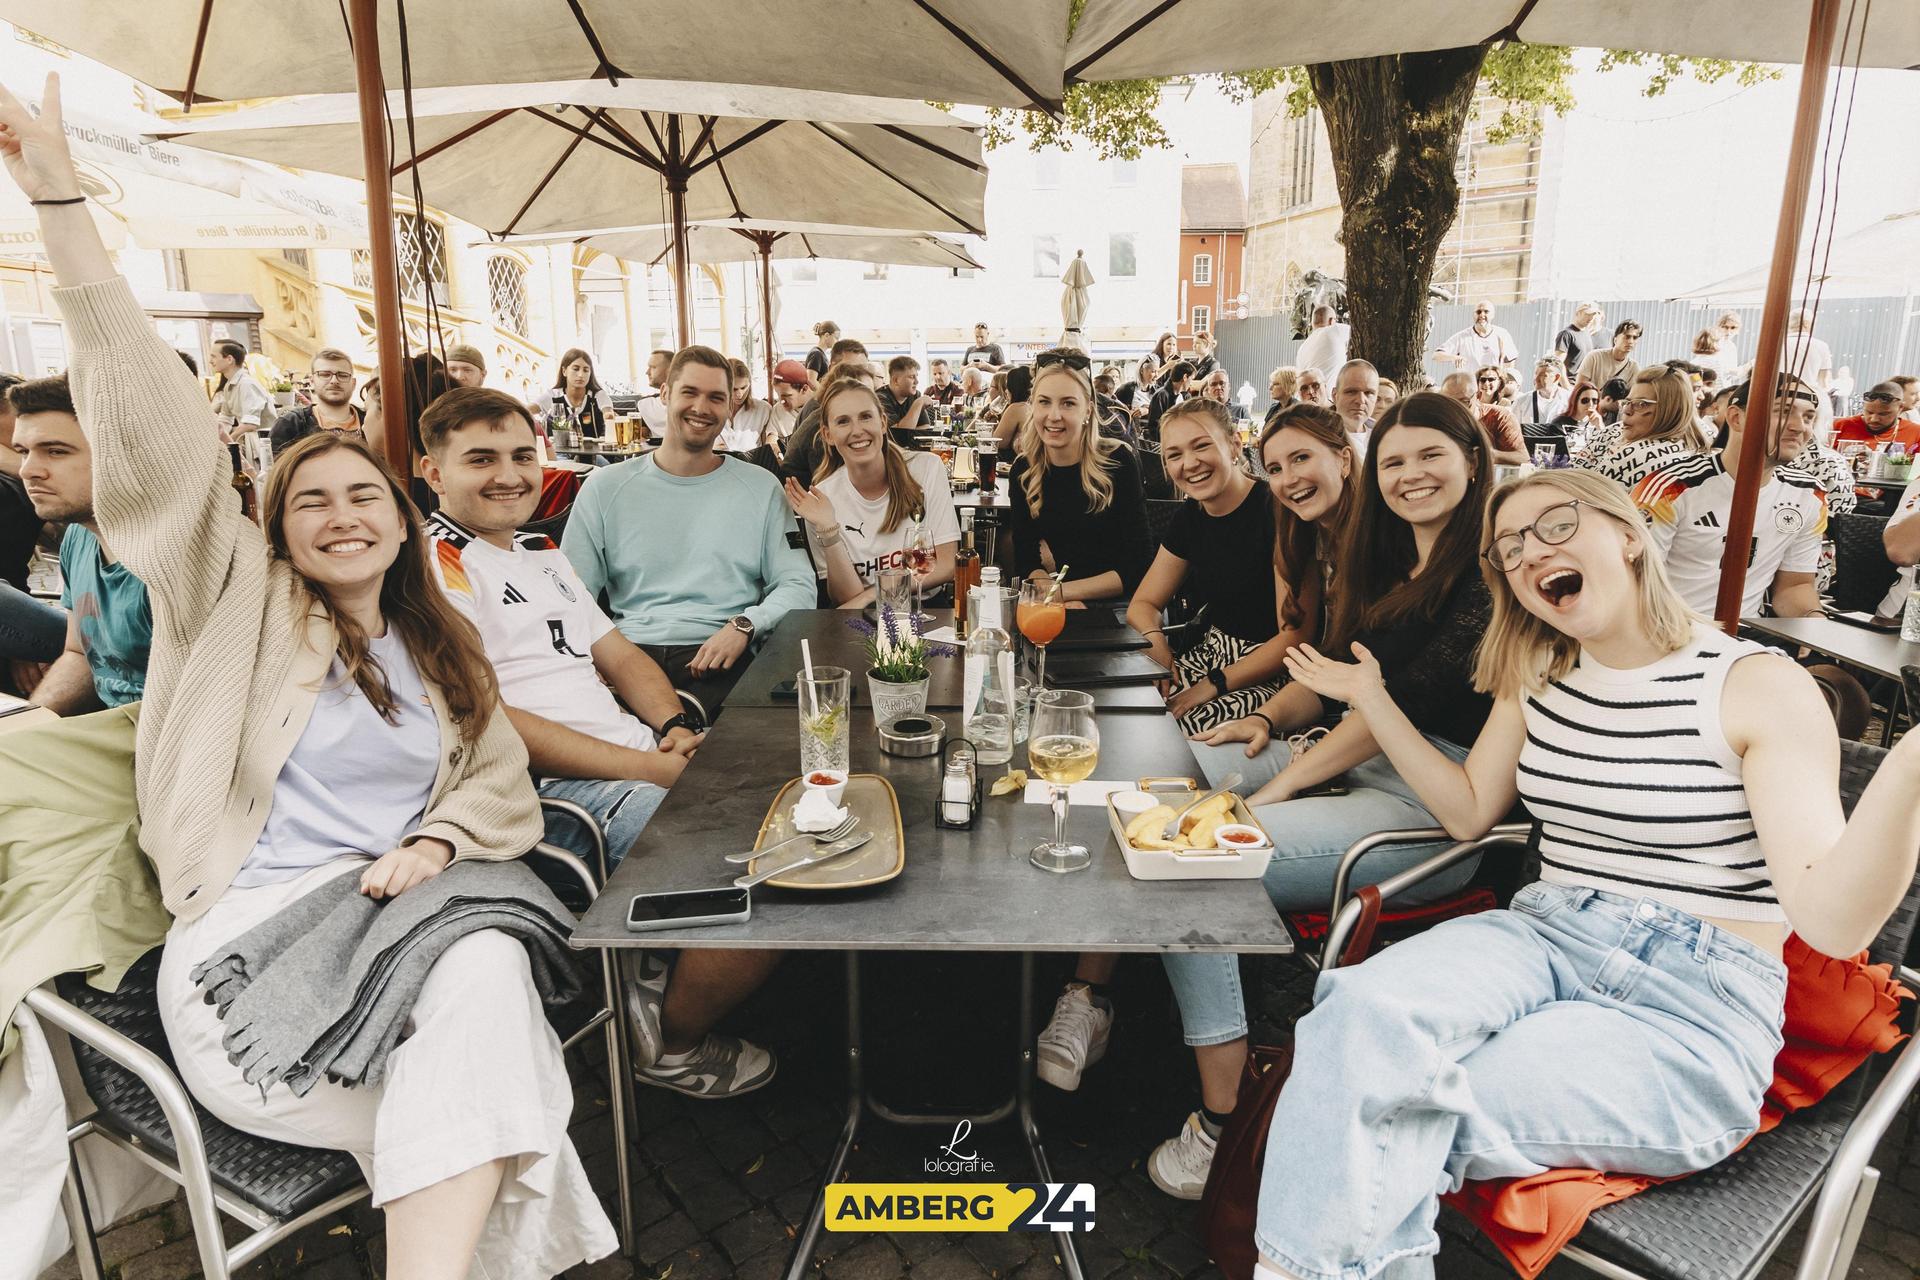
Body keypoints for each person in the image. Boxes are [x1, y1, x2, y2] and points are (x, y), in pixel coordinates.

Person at [0, 79, 616, 1272]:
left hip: (412, 935)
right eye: (310, 500)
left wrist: (436, 843)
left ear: (402, 517)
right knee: (512, 1083)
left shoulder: (443, 645)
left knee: (483, 992)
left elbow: (498, 787)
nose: (340, 515)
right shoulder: (232, 606)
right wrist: (57, 194)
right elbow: (159, 432)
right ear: (273, 530)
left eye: (364, 494)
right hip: (257, 966)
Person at [1246, 466, 1920, 1280]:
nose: (1532, 553)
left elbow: (1833, 923)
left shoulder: (1757, 685)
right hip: (1542, 933)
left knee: (1391, 1106)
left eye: (1556, 526)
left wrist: (1912, 762)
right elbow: (1467, 814)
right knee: (1353, 1017)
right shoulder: (1538, 675)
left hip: (1694, 1003)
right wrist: (1372, 697)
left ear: (1629, 536)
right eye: (1509, 549)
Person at [1149, 392, 1497, 1198]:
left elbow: (1391, 712)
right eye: (1398, 461)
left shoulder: (1485, 572)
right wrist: (1265, 722)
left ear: (1471, 460)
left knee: (1187, 864)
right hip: (1353, 760)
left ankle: (1224, 1117)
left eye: (1428, 458)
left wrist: (1283, 783)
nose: (1409, 476)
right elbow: (1333, 683)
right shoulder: (1391, 563)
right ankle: (1114, 998)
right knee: (1164, 784)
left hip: (1429, 809)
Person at [419, 386, 779, 1097]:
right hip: (550, 798)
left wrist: (674, 730)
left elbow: (619, 654)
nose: (509, 475)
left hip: (627, 763)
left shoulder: (539, 551)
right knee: (772, 873)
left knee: (800, 798)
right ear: (435, 474)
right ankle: (671, 1044)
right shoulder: (438, 566)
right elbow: (492, 722)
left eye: (523, 455)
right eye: (480, 459)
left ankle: (665, 963)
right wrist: (649, 766)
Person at [563, 346, 816, 709]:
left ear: (731, 408)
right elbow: (572, 594)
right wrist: (593, 652)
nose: (702, 407)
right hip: (627, 655)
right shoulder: (605, 487)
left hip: (728, 652)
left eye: (716, 397)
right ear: (664, 394)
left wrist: (746, 624)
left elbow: (799, 584)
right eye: (689, 392)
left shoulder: (760, 487)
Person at [1131, 398, 1292, 733]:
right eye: (1174, 455)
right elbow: (1144, 604)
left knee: (1173, 734)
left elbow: (1291, 638)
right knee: (1129, 711)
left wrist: (1210, 685)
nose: (1189, 463)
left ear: (1235, 444)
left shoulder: (1275, 514)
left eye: (1201, 445)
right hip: (1209, 655)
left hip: (1273, 674)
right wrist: (1155, 641)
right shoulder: (1190, 517)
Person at [8, 373, 152, 714]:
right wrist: (32, 724)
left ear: (121, 452)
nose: (28, 471)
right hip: (107, 731)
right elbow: (79, 656)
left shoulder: (174, 557)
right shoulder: (79, 534)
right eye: (23, 451)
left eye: (55, 451)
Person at [1633, 375, 1825, 620]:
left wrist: (1814, 621)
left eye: (1809, 417)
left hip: (1749, 635)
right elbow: (1632, 583)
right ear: (1736, 418)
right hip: (1668, 630)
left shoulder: (1809, 495)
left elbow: (1794, 587)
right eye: (1783, 412)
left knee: (1825, 661)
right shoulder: (1670, 488)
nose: (1800, 427)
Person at [785, 376, 959, 607]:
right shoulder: (822, 499)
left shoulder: (926, 468)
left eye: (866, 417)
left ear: (883, 423)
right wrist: (828, 531)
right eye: (843, 421)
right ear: (828, 435)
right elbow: (845, 599)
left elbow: (947, 565)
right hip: (862, 619)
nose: (857, 431)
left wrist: (872, 594)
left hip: (924, 607)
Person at [1009, 350, 1153, 603]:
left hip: (1122, 605)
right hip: (1064, 600)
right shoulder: (1024, 469)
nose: (1054, 415)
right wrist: (1046, 591)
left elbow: (1138, 566)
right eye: (1044, 402)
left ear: (1088, 410)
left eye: (1068, 403)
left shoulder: (1117, 460)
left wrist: (1062, 594)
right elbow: (1025, 559)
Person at [1570, 364, 1706, 488]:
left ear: (1670, 410)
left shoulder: (1639, 457)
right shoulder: (1615, 430)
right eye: (1627, 402)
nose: (1627, 411)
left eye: (1641, 404)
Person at [780, 338, 871, 484]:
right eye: (851, 370)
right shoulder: (822, 415)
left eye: (864, 370)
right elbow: (829, 483)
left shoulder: (840, 407)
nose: (858, 377)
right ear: (833, 369)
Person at [270, 348, 364, 454]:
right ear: (312, 381)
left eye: (342, 375)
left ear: (353, 383)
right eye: (325, 374)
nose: (334, 381)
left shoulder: (371, 422)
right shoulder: (291, 425)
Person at [1440, 370, 1526, 465]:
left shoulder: (1499, 417)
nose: (1455, 408)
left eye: (1463, 401)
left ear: (1477, 396)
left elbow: (1523, 458)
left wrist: (1489, 455)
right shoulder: (1438, 420)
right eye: (1448, 402)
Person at [208, 337, 275, 440]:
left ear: (229, 359)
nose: (210, 361)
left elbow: (250, 425)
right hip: (251, 442)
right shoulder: (228, 386)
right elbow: (225, 419)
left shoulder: (247, 384)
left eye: (214, 357)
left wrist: (229, 442)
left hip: (267, 444)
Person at [1432, 300, 1518, 372]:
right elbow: (1436, 355)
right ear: (1474, 315)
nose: (1482, 315)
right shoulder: (1462, 337)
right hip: (1469, 388)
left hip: (1492, 388)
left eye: (1486, 311)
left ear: (1493, 315)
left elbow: (1510, 361)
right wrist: (1454, 357)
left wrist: (1505, 383)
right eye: (1478, 312)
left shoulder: (1502, 334)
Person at [1832, 381, 1920, 450]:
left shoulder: (1916, 433)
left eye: (1883, 414)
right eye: (1869, 412)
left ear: (1900, 408)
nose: (1874, 419)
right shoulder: (1840, 426)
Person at [549, 348, 612, 440]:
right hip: (561, 453)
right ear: (564, 371)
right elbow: (526, 411)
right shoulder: (554, 395)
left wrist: (609, 415)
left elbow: (608, 413)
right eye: (576, 369)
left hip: (594, 452)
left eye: (586, 370)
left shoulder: (598, 395)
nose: (581, 375)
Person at [718, 357, 776, 453]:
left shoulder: (763, 409)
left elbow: (769, 445)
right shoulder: (712, 409)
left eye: (743, 387)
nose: (739, 394)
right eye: (734, 389)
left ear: (750, 384)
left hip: (752, 465)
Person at [875, 354, 933, 448]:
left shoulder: (915, 395)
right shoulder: (880, 398)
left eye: (916, 376)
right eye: (911, 377)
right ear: (896, 380)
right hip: (889, 452)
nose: (917, 381)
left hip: (910, 449)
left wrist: (905, 427)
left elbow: (925, 426)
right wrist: (918, 404)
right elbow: (899, 434)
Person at [1576, 320, 1643, 389]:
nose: (1631, 341)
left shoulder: (1634, 367)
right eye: (1627, 337)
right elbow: (1579, 388)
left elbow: (1631, 396)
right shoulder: (1594, 357)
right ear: (1615, 339)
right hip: (1592, 399)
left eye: (1635, 338)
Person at [1329, 359, 1379, 450]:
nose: (1360, 400)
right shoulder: (1316, 438)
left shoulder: (1384, 440)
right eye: (1351, 392)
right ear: (1335, 395)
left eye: (1368, 393)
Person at [1784, 308, 1834, 397]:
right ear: (1806, 324)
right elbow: (1823, 382)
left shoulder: (1776, 345)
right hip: (1806, 400)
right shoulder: (1821, 346)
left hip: (1776, 398)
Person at [1144, 360, 1195, 440]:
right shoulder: (1161, 396)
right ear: (1185, 377)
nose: (1191, 383)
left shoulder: (1186, 396)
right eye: (1191, 379)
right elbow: (1154, 427)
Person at [1296, 305, 1350, 379]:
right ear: (1332, 321)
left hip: (1312, 389)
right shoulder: (1335, 330)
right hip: (1333, 389)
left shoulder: (1302, 348)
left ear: (1313, 324)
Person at [1552, 301, 1601, 378]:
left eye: (1593, 315)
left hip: (1582, 383)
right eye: (1587, 314)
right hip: (1570, 383)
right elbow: (1557, 363)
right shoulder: (1566, 334)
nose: (1591, 318)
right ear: (1577, 313)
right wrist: (1567, 385)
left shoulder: (1586, 333)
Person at [1517, 356, 1570, 424]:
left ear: (1556, 377)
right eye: (1536, 374)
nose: (1536, 379)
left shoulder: (1569, 400)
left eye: (1543, 375)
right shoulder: (1522, 401)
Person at [769, 358, 810, 443]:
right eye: (778, 394)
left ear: (804, 389)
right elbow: (772, 436)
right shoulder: (777, 409)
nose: (781, 401)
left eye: (787, 396)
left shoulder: (820, 409)